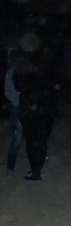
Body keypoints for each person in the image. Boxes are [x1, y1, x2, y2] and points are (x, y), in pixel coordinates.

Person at [12, 44, 59, 182]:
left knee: (34, 141)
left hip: (33, 109)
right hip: (45, 108)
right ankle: (36, 169)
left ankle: (36, 172)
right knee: (40, 140)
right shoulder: (48, 68)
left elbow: (19, 86)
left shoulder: (25, 69)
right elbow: (56, 86)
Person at [4, 49, 23, 177]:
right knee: (17, 139)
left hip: (32, 109)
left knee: (34, 137)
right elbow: (8, 93)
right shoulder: (11, 73)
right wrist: (20, 98)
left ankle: (36, 168)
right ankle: (10, 168)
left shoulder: (30, 71)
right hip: (18, 109)